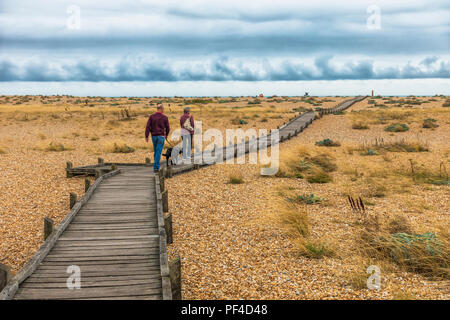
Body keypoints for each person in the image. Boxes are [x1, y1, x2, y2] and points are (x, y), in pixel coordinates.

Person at [145, 103, 170, 172]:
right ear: (161, 109)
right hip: (161, 136)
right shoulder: (165, 117)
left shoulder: (152, 117)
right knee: (158, 152)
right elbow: (168, 128)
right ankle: (156, 168)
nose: (164, 110)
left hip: (154, 136)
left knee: (156, 151)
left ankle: (156, 165)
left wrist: (146, 136)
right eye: (163, 109)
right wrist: (166, 134)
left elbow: (148, 127)